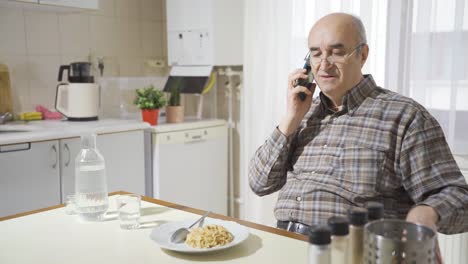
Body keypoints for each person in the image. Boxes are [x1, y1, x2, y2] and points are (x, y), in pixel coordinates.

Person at [249, 13, 468, 237]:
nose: (324, 65)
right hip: (285, 241)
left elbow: (458, 196)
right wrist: (291, 119)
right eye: (315, 54)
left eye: (337, 52)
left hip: (350, 250)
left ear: (362, 55)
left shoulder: (405, 117)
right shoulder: (302, 113)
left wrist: (426, 212)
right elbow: (260, 183)